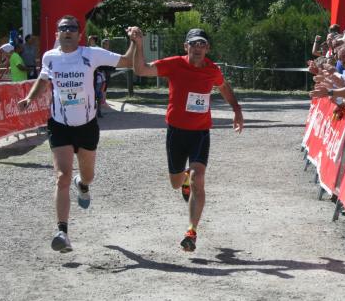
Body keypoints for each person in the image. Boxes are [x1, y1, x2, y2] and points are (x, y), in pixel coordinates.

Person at [17, 16, 141, 253]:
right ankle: (62, 232)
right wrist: (30, 98)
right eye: (63, 28)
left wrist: (134, 42)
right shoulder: (50, 57)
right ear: (57, 34)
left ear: (79, 34)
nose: (68, 32)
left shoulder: (91, 54)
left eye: (72, 28)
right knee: (62, 177)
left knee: (88, 175)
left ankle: (82, 185)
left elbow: (126, 61)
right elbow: (43, 79)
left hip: (86, 126)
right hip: (59, 125)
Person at [131, 27, 244, 252]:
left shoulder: (212, 69)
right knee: (176, 183)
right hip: (176, 132)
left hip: (200, 133)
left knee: (198, 179)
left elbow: (223, 86)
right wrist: (138, 44)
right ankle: (183, 180)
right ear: (186, 47)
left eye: (202, 44)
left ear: (207, 48)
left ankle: (191, 232)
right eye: (193, 44)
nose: (198, 48)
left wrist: (237, 109)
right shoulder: (174, 64)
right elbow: (141, 69)